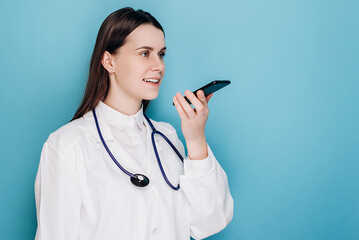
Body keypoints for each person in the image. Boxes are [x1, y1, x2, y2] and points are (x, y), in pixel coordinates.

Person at [34, 7, 233, 240]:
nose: (158, 66)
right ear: (109, 61)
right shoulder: (68, 145)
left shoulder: (167, 137)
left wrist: (196, 138)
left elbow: (210, 221)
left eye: (161, 54)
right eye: (144, 53)